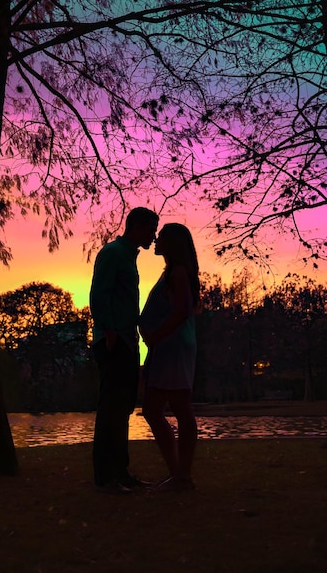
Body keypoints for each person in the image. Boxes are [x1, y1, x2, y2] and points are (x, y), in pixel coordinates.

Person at [90, 207, 159, 493]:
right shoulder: (113, 253)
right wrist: (108, 332)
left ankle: (120, 471)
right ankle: (107, 477)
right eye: (150, 230)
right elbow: (98, 293)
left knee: (123, 408)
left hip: (127, 341)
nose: (153, 236)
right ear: (137, 227)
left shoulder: (128, 256)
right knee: (111, 408)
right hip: (115, 341)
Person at [139, 223, 200, 491]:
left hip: (172, 347)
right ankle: (178, 474)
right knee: (156, 409)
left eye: (161, 236)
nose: (155, 239)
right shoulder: (172, 273)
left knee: (175, 409)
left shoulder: (177, 273)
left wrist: (156, 335)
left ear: (172, 243)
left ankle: (181, 475)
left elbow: (182, 311)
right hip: (167, 347)